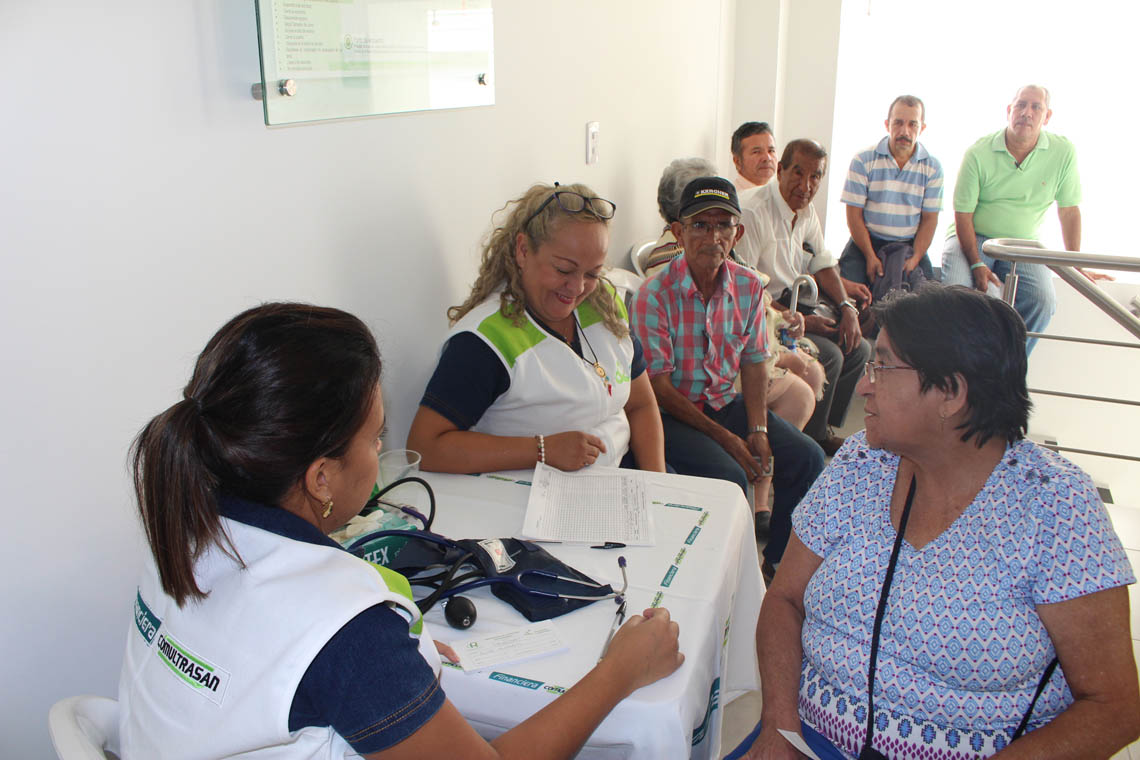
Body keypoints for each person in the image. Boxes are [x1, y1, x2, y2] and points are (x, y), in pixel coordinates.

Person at [120, 302, 683, 760]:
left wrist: (386, 664)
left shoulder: (187, 523)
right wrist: (620, 671)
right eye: (374, 439)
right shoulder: (345, 631)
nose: (381, 453)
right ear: (321, 479)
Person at [737, 285, 1139, 760]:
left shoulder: (1055, 505)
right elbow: (784, 599)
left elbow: (1114, 705)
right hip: (806, 738)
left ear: (950, 392)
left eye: (882, 366)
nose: (864, 384)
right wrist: (781, 728)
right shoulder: (861, 463)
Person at [630, 176, 825, 577]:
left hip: (723, 403)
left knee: (808, 457)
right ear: (678, 232)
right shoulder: (655, 294)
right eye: (700, 225)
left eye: (723, 225)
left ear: (738, 233)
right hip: (670, 415)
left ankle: (778, 568)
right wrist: (729, 439)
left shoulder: (749, 286)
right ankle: (731, 580)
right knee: (731, 476)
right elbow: (659, 390)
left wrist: (757, 428)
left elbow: (754, 361)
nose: (713, 236)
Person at [407, 182, 666, 474]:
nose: (578, 288)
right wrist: (543, 449)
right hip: (539, 496)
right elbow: (424, 447)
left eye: (593, 273)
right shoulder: (484, 342)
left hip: (623, 476)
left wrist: (655, 484)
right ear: (523, 250)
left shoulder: (603, 306)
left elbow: (641, 405)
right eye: (563, 270)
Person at [737, 139, 872, 455]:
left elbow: (822, 262)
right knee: (831, 355)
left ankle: (820, 430)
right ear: (780, 170)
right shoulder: (754, 212)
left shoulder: (807, 210)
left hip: (797, 309)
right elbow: (747, 287)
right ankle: (805, 444)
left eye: (815, 177)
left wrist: (846, 307)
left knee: (859, 348)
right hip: (765, 317)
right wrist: (803, 320)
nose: (806, 185)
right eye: (798, 174)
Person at [941, 85, 1081, 354]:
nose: (1027, 113)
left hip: (1023, 243)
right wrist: (976, 263)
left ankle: (1009, 372)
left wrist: (1075, 261)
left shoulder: (1063, 152)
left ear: (1047, 116)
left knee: (1042, 299)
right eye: (1021, 105)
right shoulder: (978, 152)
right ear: (1009, 110)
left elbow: (1069, 210)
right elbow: (962, 215)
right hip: (972, 236)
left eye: (1035, 107)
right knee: (956, 293)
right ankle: (959, 373)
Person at [838, 95, 943, 290]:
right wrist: (870, 255)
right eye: (898, 123)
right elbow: (854, 215)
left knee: (931, 300)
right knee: (846, 296)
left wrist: (915, 259)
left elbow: (930, 219)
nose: (905, 131)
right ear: (887, 125)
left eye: (913, 124)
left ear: (922, 128)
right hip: (865, 243)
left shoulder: (932, 167)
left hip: (910, 244)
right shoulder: (863, 160)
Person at [731, 121, 779, 191]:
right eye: (756, 152)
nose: (767, 158)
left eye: (771, 151)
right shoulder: (730, 199)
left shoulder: (783, 195)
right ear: (737, 161)